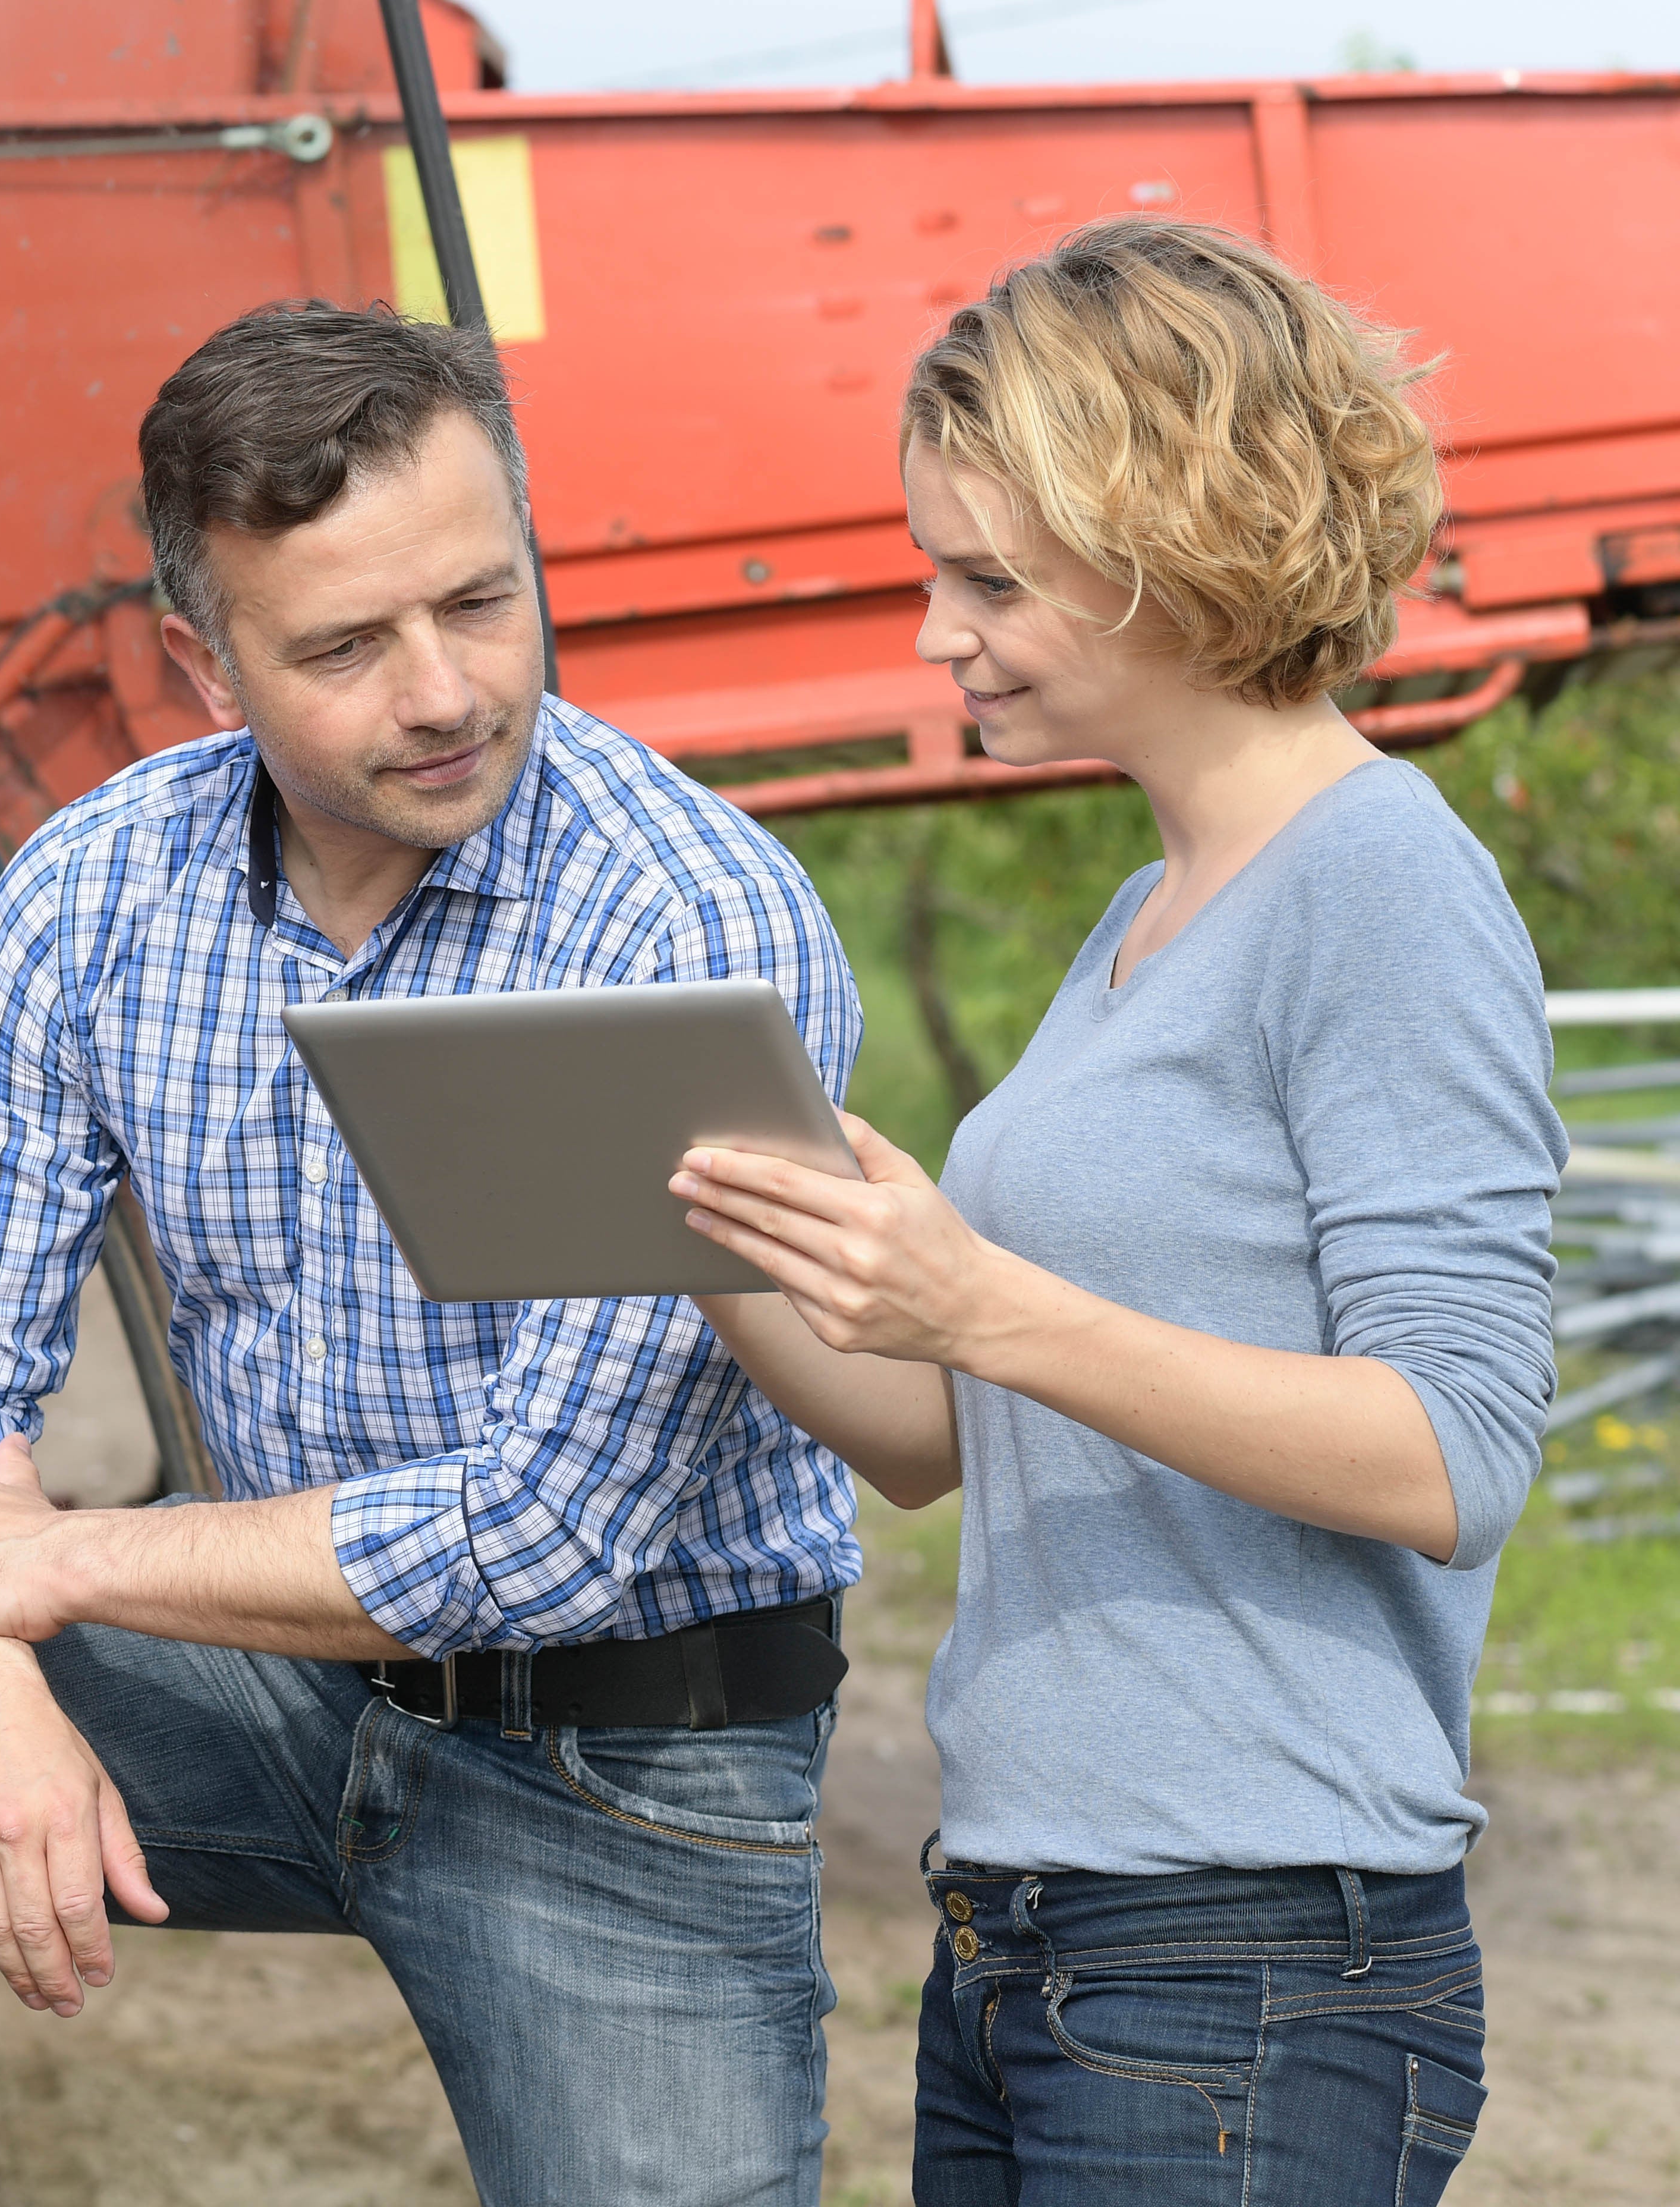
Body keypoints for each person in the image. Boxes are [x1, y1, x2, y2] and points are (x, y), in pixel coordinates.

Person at [0, 300, 870, 2205]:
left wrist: (34, 1564)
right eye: (348, 646)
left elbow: (540, 1538)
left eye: (481, 600)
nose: (443, 691)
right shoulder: (99, 891)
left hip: (622, 1753)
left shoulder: (688, 925)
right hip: (276, 1688)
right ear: (206, 667)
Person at [668, 216, 1559, 2206]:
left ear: (1178, 541)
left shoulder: (1382, 889)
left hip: (1248, 1964)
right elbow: (936, 1447)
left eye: (986, 576)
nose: (934, 630)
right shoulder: (1139, 922)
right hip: (1029, 1937)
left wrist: (985, 1301)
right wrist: (700, 1226)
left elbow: (1458, 1448)